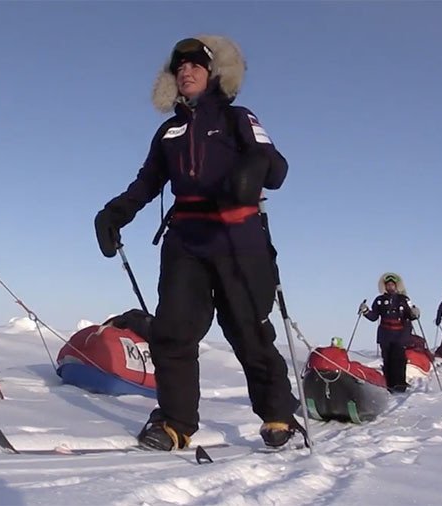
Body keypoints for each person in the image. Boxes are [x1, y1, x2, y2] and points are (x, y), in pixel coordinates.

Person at [94, 35, 300, 451]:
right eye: (179, 66)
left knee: (247, 330)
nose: (185, 71)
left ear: (213, 73)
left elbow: (276, 168)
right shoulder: (168, 131)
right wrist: (115, 212)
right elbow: (147, 183)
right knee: (172, 332)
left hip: (237, 237)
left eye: (195, 65)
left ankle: (278, 413)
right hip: (186, 240)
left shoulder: (238, 118)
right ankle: (176, 423)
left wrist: (252, 168)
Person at [359, 272, 420, 392]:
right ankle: (389, 384)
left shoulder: (404, 299)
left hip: (400, 334)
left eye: (392, 285)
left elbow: (411, 315)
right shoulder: (379, 300)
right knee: (387, 359)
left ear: (396, 286)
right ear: (384, 286)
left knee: (399, 359)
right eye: (388, 285)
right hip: (385, 335)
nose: (390, 287)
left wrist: (415, 313)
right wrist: (365, 311)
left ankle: (400, 384)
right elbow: (374, 317)